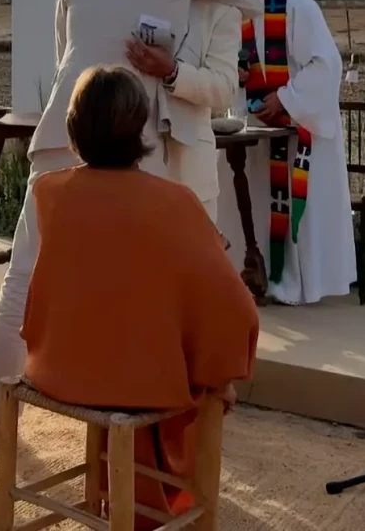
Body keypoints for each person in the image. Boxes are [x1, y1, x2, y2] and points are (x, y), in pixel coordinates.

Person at [0, 0, 262, 448]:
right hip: (131, 146)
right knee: (39, 278)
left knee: (41, 277)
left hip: (112, 131)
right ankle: (58, 408)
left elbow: (72, 49)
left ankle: (63, 409)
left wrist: (172, 68)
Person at [22, 66, 259, 529]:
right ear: (141, 129)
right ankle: (159, 497)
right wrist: (219, 371)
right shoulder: (173, 201)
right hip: (136, 384)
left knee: (130, 320)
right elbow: (234, 309)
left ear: (74, 130)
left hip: (57, 367)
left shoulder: (48, 191)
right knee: (199, 358)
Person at [52, 0, 240, 224]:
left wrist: (173, 73)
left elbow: (224, 90)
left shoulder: (220, 7)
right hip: (125, 167)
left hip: (186, 169)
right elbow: (65, 56)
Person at [217, 0, 357, 306]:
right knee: (256, 202)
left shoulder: (296, 6)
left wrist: (284, 98)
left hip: (300, 133)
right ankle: (257, 275)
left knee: (298, 212)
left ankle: (300, 284)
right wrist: (240, 74)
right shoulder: (237, 11)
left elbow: (325, 66)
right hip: (261, 131)